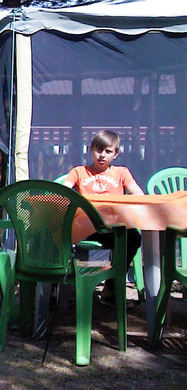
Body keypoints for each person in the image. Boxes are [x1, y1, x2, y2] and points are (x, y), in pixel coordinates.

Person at [62, 129, 143, 304]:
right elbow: (63, 191)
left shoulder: (122, 173)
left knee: (133, 237)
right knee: (56, 232)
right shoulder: (79, 172)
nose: (102, 155)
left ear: (116, 154)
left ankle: (111, 289)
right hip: (85, 225)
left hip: (112, 227)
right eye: (98, 150)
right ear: (91, 149)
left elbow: (138, 194)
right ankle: (56, 288)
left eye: (108, 151)